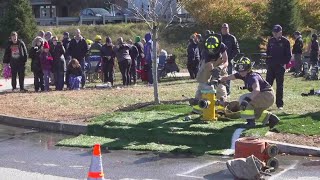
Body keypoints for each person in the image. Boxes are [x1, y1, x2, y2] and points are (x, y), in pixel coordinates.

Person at [220, 57, 280, 128]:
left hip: (267, 95)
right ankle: (272, 119)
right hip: (267, 95)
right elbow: (229, 77)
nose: (241, 71)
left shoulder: (252, 76)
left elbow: (256, 90)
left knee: (243, 99)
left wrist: (247, 100)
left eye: (243, 69)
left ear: (248, 68)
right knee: (253, 111)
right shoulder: (244, 74)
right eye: (240, 69)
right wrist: (218, 79)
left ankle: (250, 123)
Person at [192, 32, 228, 109]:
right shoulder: (205, 50)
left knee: (221, 86)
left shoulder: (222, 46)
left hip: (220, 62)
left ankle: (222, 107)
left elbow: (226, 61)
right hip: (208, 64)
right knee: (203, 84)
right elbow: (209, 65)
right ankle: (197, 106)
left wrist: (219, 68)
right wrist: (211, 79)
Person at [266, 25, 291, 110]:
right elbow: (268, 52)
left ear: (280, 32)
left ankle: (279, 104)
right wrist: (267, 61)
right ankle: (265, 103)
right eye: (274, 32)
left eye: (276, 32)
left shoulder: (285, 41)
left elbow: (288, 55)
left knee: (279, 86)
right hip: (271, 66)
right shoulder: (271, 41)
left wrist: (283, 64)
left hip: (280, 66)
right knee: (267, 85)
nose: (275, 34)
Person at [221, 23, 240, 96]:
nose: (224, 29)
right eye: (223, 28)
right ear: (221, 29)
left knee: (228, 76)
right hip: (219, 61)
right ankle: (219, 91)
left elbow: (237, 50)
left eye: (226, 28)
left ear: (228, 29)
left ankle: (227, 92)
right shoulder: (219, 37)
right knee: (218, 76)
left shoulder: (232, 38)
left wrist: (230, 57)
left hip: (228, 61)